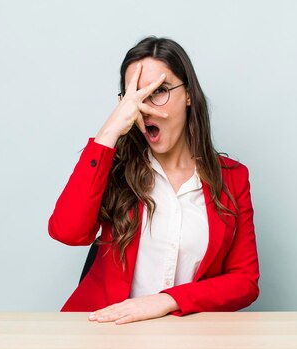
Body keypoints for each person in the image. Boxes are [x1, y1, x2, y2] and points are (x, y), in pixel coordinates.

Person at [48, 35, 259, 325]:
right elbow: (68, 232)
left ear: (188, 94)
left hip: (187, 340)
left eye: (159, 90)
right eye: (136, 95)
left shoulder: (233, 178)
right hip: (104, 336)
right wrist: (108, 132)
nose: (146, 107)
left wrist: (167, 300)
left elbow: (245, 281)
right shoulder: (113, 166)